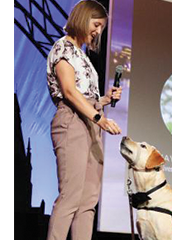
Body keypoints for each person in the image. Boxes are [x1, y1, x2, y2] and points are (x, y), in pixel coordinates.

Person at [44, 1, 122, 240]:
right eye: (96, 24)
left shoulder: (83, 56)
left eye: (101, 28)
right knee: (71, 196)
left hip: (90, 122)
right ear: (83, 17)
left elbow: (86, 97)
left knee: (88, 200)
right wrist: (99, 117)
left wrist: (105, 100)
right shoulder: (63, 48)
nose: (98, 31)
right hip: (72, 122)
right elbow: (69, 91)